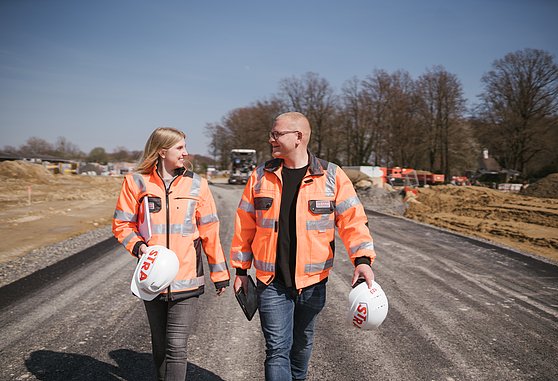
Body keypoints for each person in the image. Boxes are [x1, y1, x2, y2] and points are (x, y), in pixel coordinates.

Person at [231, 112, 377, 381]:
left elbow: (353, 221)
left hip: (312, 283)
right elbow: (244, 225)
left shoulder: (331, 176)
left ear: (298, 137)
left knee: (301, 347)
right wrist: (241, 270)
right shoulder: (260, 175)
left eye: (277, 134)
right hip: (271, 283)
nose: (271, 138)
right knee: (276, 351)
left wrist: (363, 261)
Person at [113, 127, 230, 381]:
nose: (186, 153)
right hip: (152, 278)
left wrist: (219, 274)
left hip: (186, 278)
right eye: (180, 148)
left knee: (176, 346)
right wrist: (140, 248)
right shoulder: (136, 182)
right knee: (160, 345)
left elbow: (210, 232)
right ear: (162, 151)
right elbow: (122, 225)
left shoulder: (198, 184)